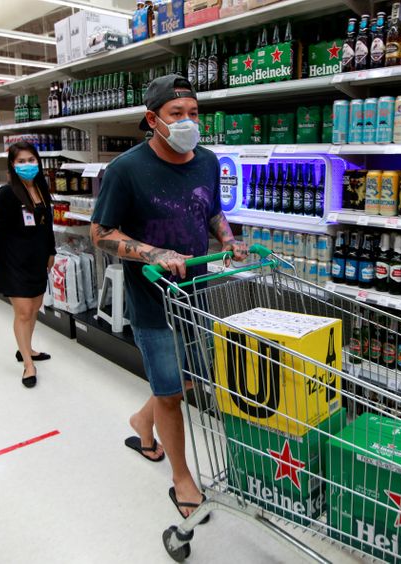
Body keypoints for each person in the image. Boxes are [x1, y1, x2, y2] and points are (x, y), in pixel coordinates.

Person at [90, 75, 247, 520]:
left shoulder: (209, 161)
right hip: (151, 294)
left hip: (195, 290)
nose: (188, 122)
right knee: (172, 393)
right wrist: (153, 252)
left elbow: (212, 210)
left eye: (194, 114)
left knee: (190, 378)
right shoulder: (126, 169)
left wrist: (230, 241)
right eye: (177, 114)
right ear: (152, 120)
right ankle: (181, 476)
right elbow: (99, 232)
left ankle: (143, 422)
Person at [0, 142, 56, 389]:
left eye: (31, 160)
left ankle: (25, 349)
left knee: (35, 307)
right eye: (21, 161)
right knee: (23, 312)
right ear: (12, 165)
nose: (27, 165)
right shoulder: (6, 194)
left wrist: (51, 251)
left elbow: (46, 225)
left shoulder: (41, 188)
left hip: (37, 260)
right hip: (13, 261)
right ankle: (28, 364)